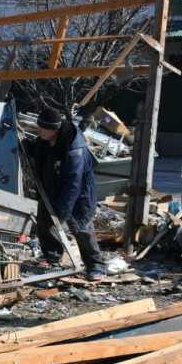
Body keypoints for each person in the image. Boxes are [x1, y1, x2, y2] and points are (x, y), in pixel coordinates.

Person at [30, 107, 107, 281]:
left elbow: (73, 183)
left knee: (81, 226)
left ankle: (96, 266)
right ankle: (51, 256)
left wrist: (63, 211)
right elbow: (40, 153)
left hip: (79, 193)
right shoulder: (45, 139)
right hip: (53, 186)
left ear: (54, 130)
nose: (38, 130)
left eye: (42, 128)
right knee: (45, 221)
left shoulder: (74, 149)